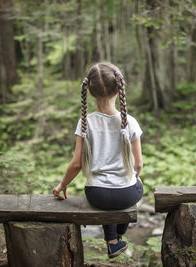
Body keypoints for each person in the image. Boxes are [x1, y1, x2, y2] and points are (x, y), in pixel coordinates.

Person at [52, 62, 143, 259]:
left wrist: (62, 184)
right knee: (135, 187)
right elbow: (138, 165)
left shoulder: (86, 123)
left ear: (91, 93)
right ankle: (117, 236)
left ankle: (112, 241)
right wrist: (135, 177)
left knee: (106, 194)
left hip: (97, 194)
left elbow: (76, 164)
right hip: (127, 195)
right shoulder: (130, 122)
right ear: (119, 90)